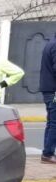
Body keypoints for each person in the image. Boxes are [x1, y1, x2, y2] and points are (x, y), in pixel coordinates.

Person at [41, 35, 56, 164]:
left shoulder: (51, 43)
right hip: (54, 90)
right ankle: (48, 153)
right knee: (54, 123)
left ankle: (47, 152)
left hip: (49, 89)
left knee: (51, 123)